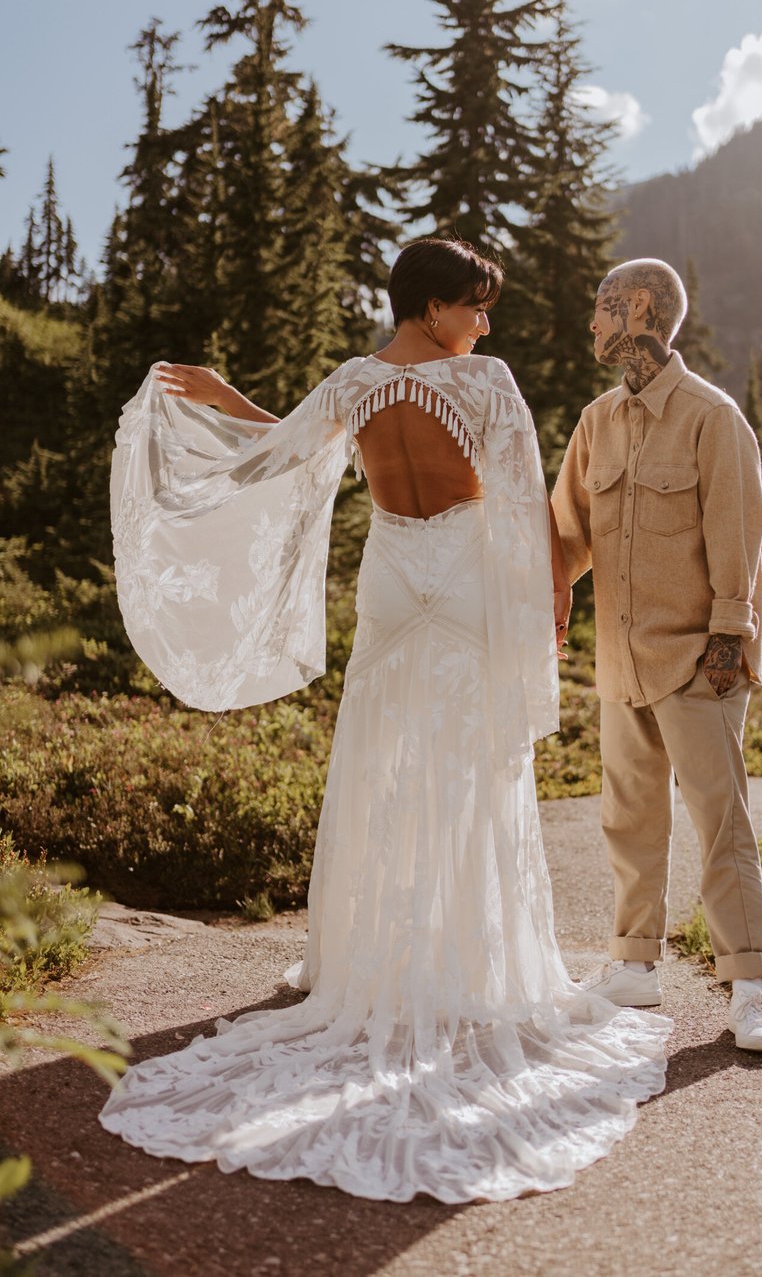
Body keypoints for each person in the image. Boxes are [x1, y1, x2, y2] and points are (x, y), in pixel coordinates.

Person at [99, 238, 672, 1203]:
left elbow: (278, 447)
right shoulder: (484, 383)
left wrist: (217, 395)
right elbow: (523, 498)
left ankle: (368, 958)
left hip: (394, 582)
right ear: (434, 306)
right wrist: (553, 600)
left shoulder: (357, 383)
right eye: (475, 306)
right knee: (473, 766)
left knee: (381, 762)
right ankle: (466, 957)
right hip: (463, 580)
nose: (484, 325)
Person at [551, 258, 762, 1054]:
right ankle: (633, 964)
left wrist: (728, 651)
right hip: (619, 663)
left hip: (698, 661)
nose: (593, 322)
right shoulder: (595, 422)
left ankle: (750, 988)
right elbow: (565, 534)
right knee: (629, 820)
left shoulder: (711, 417)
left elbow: (739, 542)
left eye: (603, 307)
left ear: (641, 308)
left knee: (722, 823)